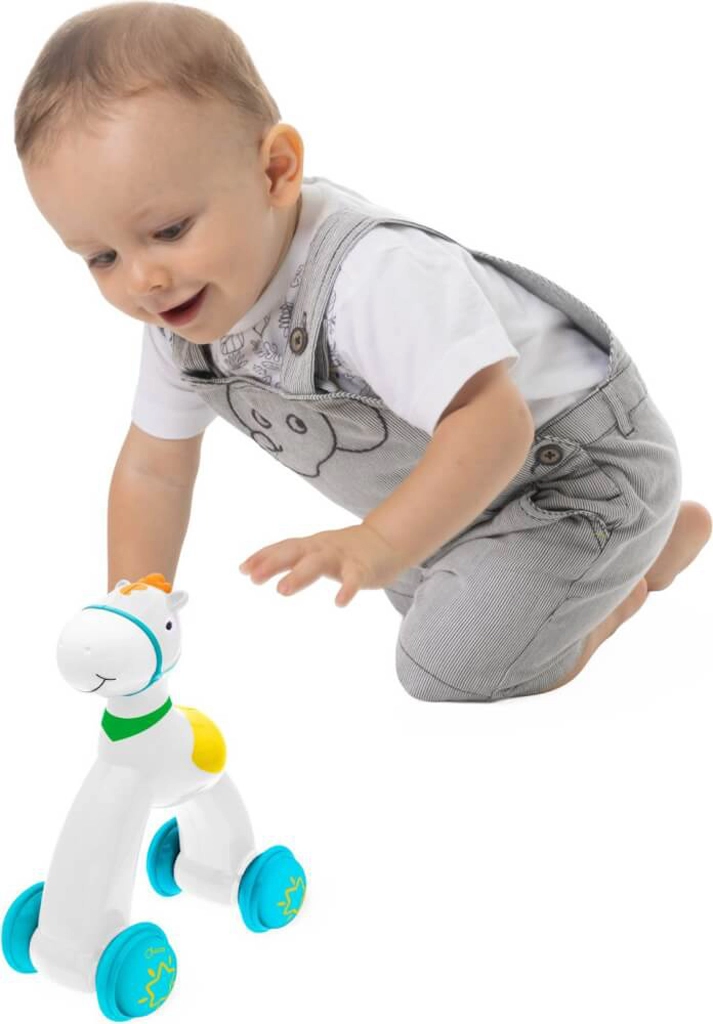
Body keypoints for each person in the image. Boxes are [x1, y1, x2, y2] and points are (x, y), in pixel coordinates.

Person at [16, 2, 710, 702]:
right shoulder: (180, 319)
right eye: (101, 257)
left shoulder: (373, 278)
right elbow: (153, 469)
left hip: (572, 474)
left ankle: (623, 581)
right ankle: (634, 554)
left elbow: (496, 423)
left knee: (445, 664)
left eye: (169, 230)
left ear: (275, 170)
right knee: (428, 594)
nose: (143, 280)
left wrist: (379, 543)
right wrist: (134, 606)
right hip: (469, 490)